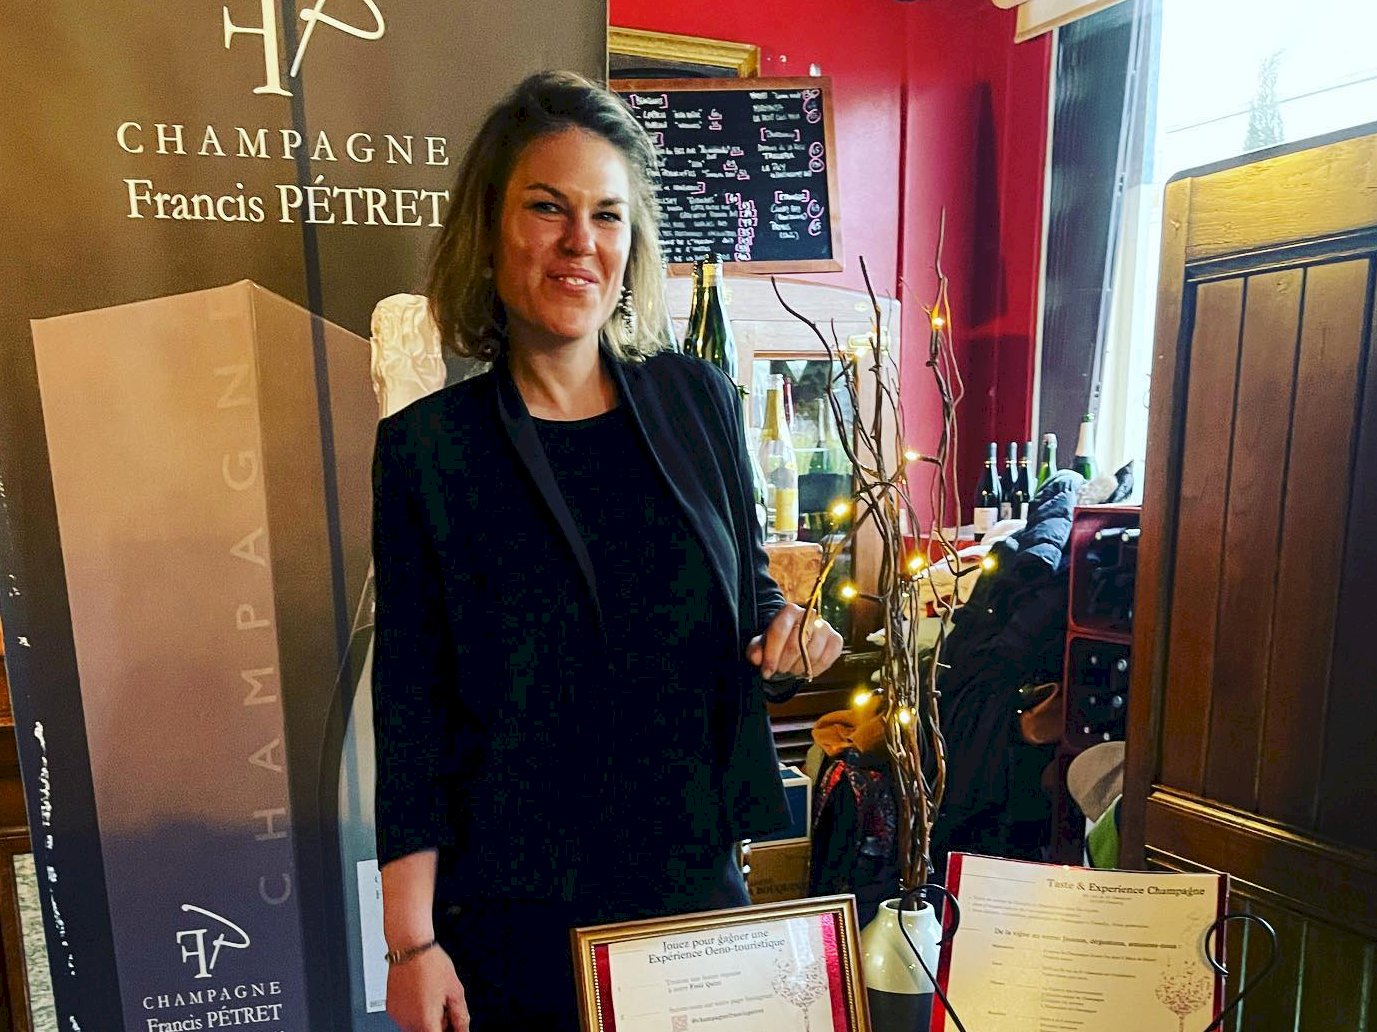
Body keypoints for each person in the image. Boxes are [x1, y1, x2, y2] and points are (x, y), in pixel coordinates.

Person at [371, 70, 844, 1032]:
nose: (580, 240)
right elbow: (410, 711)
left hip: (691, 888)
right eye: (547, 207)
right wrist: (411, 944)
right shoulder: (428, 450)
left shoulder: (697, 401)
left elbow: (749, 599)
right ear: (490, 230)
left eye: (607, 215)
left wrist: (791, 637)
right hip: (512, 913)